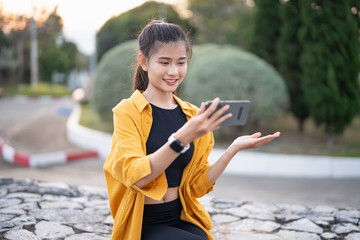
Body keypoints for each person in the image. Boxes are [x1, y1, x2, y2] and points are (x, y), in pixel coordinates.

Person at [103, 20, 281, 240]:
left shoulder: (191, 114)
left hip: (181, 217)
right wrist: (183, 137)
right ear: (144, 62)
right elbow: (135, 177)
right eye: (165, 62)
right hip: (143, 223)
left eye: (181, 62)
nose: (174, 71)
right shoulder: (127, 111)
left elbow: (196, 186)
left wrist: (232, 150)